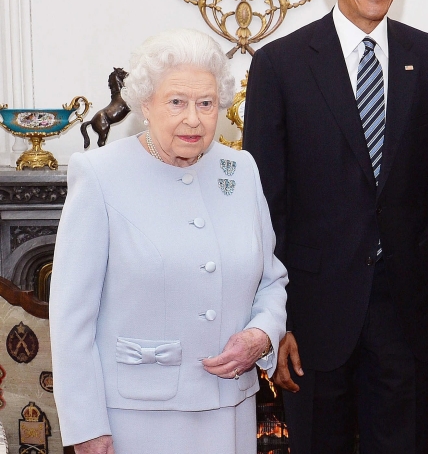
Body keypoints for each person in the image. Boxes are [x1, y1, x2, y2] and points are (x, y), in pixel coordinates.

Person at [242, 0, 428, 454]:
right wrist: (271, 320)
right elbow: (264, 206)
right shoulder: (280, 65)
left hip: (408, 312)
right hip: (313, 313)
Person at [50, 28, 288, 454]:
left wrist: (262, 334)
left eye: (206, 103)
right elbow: (71, 317)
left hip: (229, 409)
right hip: (136, 419)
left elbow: (271, 281)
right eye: (176, 102)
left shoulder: (242, 169)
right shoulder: (100, 175)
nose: (193, 119)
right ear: (146, 104)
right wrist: (86, 425)